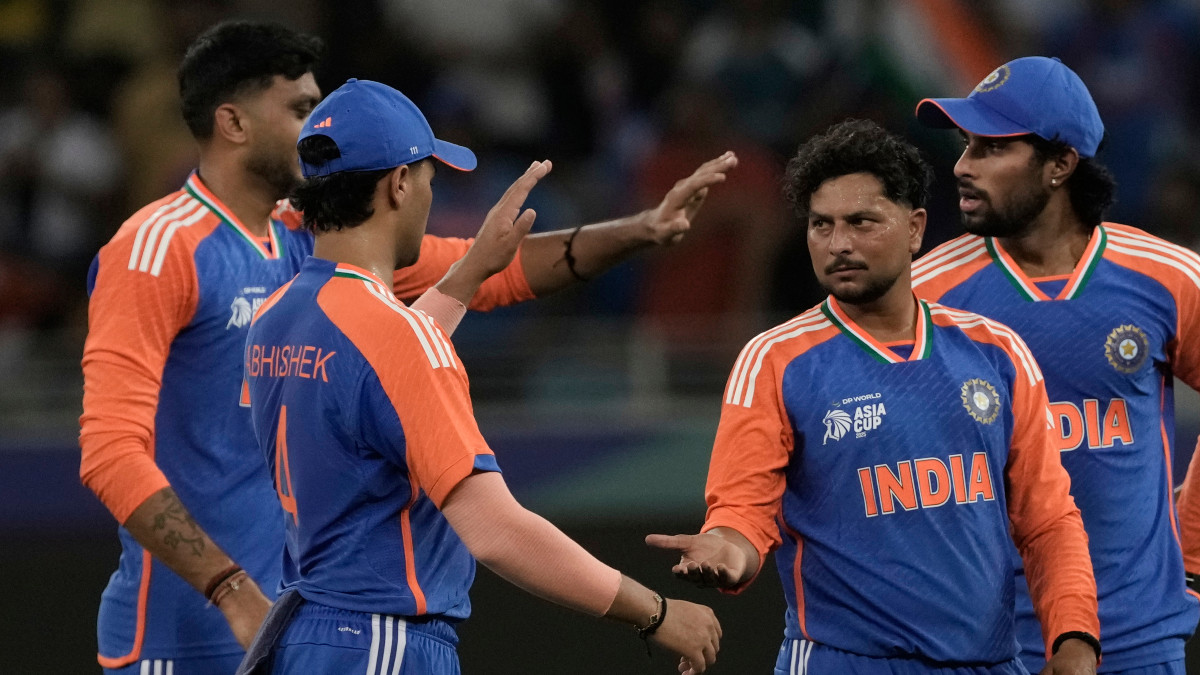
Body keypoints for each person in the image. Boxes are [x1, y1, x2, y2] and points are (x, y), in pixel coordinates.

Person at [79, 20, 737, 675]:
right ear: (233, 122)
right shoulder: (156, 250)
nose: (316, 126)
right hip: (193, 634)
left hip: (292, 625)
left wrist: (642, 229)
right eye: (303, 108)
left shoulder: (300, 269)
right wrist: (229, 587)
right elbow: (109, 451)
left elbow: (489, 272)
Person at [240, 77, 722, 674]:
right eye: (429, 177)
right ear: (398, 184)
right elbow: (494, 529)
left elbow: (371, 374)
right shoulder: (394, 336)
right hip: (383, 643)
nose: (429, 194)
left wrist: (465, 278)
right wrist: (655, 611)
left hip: (305, 638)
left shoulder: (274, 316)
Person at [647, 119, 1100, 675]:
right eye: (821, 225)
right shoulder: (775, 360)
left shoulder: (996, 351)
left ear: (914, 229)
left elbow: (1049, 519)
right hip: (846, 663)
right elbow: (742, 510)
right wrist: (727, 551)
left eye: (862, 222)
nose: (838, 243)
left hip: (992, 663)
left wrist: (1075, 637)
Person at [911, 56, 1200, 674]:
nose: (962, 166)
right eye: (966, 146)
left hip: (1136, 644)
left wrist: (1193, 546)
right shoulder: (923, 296)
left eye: (991, 148)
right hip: (976, 649)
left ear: (1060, 165)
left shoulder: (1165, 277)